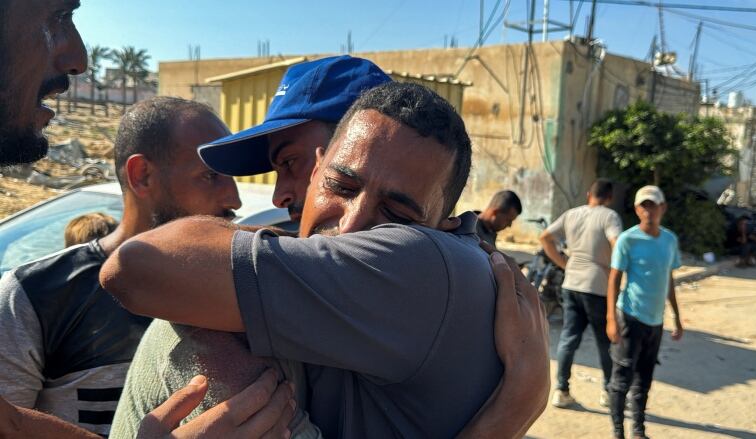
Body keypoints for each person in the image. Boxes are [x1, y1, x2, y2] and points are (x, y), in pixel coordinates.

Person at [101, 82, 550, 438]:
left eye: (395, 215)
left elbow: (138, 267)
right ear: (323, 168)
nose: (352, 227)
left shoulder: (426, 266)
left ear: (443, 224)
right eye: (340, 185)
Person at [0, 1, 326, 437]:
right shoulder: (35, 298)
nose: (232, 197)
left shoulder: (246, 293)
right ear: (143, 175)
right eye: (210, 177)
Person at [606, 185, 684, 439]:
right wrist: (611, 319)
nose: (649, 210)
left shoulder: (670, 240)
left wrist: (677, 317)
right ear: (638, 210)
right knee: (622, 378)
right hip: (630, 316)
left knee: (645, 378)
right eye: (644, 206)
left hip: (655, 320)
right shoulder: (628, 240)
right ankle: (618, 432)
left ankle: (638, 430)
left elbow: (668, 279)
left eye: (654, 205)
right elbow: (614, 278)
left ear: (663, 208)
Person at [540, 178, 622, 409]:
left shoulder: (572, 214)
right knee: (604, 341)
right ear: (609, 198)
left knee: (569, 337)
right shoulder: (609, 216)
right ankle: (608, 392)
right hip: (597, 286)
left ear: (589, 194)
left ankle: (561, 390)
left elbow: (545, 238)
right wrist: (615, 270)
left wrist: (564, 263)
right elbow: (618, 245)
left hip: (572, 282)